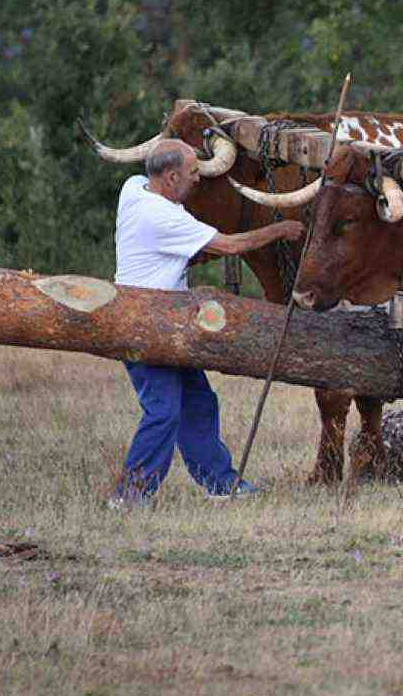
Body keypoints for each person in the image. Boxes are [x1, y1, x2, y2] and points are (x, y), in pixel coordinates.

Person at [111, 139, 305, 507]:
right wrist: (279, 231)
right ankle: (131, 496)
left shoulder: (133, 189)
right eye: (193, 172)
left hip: (167, 324)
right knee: (164, 411)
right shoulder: (164, 216)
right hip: (146, 326)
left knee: (198, 401)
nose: (199, 179)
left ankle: (219, 483)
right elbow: (229, 246)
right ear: (169, 178)